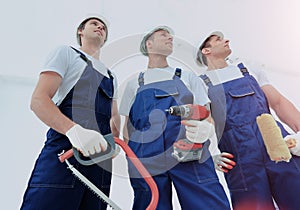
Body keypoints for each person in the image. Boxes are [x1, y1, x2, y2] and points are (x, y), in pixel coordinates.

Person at [119, 26, 231, 210]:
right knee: (150, 205)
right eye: (163, 35)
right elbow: (127, 129)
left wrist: (206, 130)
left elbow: (206, 115)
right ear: (149, 44)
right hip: (146, 158)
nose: (170, 38)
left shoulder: (188, 77)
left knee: (208, 204)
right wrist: (134, 160)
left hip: (189, 151)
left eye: (171, 36)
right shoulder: (134, 84)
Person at [20, 15, 120, 209]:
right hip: (65, 153)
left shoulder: (110, 75)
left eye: (103, 28)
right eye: (94, 24)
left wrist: (113, 143)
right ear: (80, 31)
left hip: (100, 164)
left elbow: (113, 118)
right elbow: (39, 100)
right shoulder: (67, 54)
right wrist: (74, 131)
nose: (100, 27)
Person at [196, 31, 300, 210]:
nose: (226, 40)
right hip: (239, 157)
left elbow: (278, 102)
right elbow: (205, 122)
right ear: (206, 50)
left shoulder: (248, 69)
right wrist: (209, 154)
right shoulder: (200, 83)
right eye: (218, 39)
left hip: (276, 143)